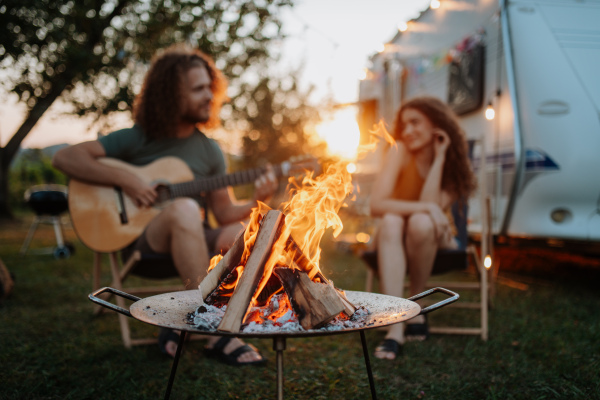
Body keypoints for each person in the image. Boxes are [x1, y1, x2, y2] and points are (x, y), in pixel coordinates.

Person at [53, 44, 279, 366]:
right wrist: (126, 180)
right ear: (172, 93)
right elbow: (65, 157)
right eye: (198, 89)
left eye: (209, 88)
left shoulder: (210, 150)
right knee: (185, 207)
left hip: (195, 243)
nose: (209, 97)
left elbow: (224, 213)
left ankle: (189, 318)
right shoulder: (138, 138)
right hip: (144, 247)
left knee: (241, 231)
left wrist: (262, 199)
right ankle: (217, 335)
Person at [369, 97, 476, 360]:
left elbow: (432, 208)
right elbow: (377, 204)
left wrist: (439, 158)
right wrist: (427, 209)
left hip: (431, 240)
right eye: (404, 125)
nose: (406, 132)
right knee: (393, 220)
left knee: (420, 222)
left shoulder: (454, 166)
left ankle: (416, 303)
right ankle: (395, 328)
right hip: (393, 237)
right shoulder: (399, 150)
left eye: (415, 122)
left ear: (437, 125)